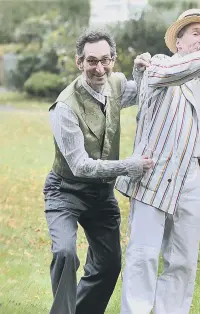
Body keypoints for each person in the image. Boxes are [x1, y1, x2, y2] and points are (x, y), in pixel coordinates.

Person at [114, 8, 200, 314]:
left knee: (183, 258)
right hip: (155, 169)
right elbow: (175, 74)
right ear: (178, 41)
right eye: (196, 34)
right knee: (143, 253)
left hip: (190, 173)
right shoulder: (160, 64)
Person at [43, 28, 154, 314]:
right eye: (92, 61)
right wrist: (128, 167)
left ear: (113, 59)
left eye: (106, 60)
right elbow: (80, 165)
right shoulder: (64, 107)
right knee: (65, 253)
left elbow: (138, 94)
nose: (99, 68)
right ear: (79, 62)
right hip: (65, 191)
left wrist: (139, 71)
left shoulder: (115, 82)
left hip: (101, 195)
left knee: (109, 264)